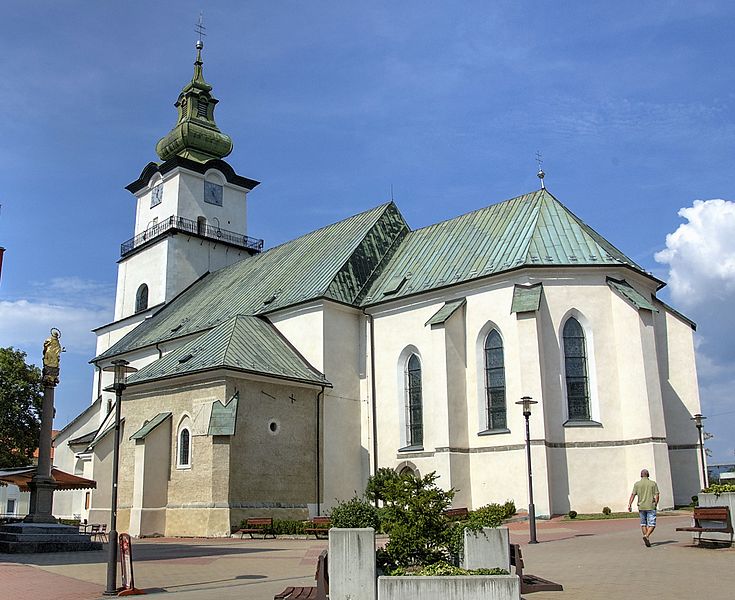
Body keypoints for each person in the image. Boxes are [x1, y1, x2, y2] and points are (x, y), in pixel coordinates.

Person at [628, 468, 660, 547]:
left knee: (643, 524)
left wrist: (630, 504)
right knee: (652, 524)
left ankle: (646, 538)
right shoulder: (653, 483)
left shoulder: (637, 484)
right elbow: (657, 494)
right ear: (648, 475)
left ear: (641, 475)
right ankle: (646, 536)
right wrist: (656, 503)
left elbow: (633, 495)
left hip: (641, 506)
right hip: (650, 506)